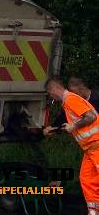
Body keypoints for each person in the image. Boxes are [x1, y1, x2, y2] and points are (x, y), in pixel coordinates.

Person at [44, 78, 99, 215]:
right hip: (90, 150)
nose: (51, 97)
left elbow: (91, 117)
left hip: (97, 146)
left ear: (54, 89)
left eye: (49, 93)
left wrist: (74, 126)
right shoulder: (67, 104)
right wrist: (58, 129)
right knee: (86, 180)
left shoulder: (70, 99)